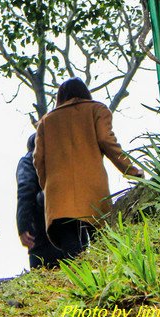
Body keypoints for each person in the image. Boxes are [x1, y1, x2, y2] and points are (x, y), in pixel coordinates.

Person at [33, 77, 143, 260]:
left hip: (58, 191)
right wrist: (131, 170)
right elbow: (107, 141)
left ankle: (77, 281)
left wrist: (46, 186)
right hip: (92, 186)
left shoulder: (46, 121)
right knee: (101, 239)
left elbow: (38, 160)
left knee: (72, 248)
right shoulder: (97, 110)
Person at [16, 134, 63, 269]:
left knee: (43, 268)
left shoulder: (28, 160)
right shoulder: (63, 159)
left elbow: (25, 190)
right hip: (71, 223)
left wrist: (23, 226)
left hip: (42, 225)